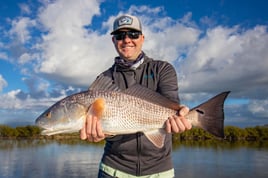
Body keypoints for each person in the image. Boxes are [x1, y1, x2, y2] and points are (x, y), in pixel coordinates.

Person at [80, 14, 192, 178]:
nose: (127, 40)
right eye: (120, 35)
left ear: (142, 38)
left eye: (133, 34)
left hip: (160, 172)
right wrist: (99, 134)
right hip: (113, 170)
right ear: (113, 40)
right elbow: (104, 128)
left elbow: (172, 104)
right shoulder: (104, 79)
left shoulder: (162, 69)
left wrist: (180, 115)